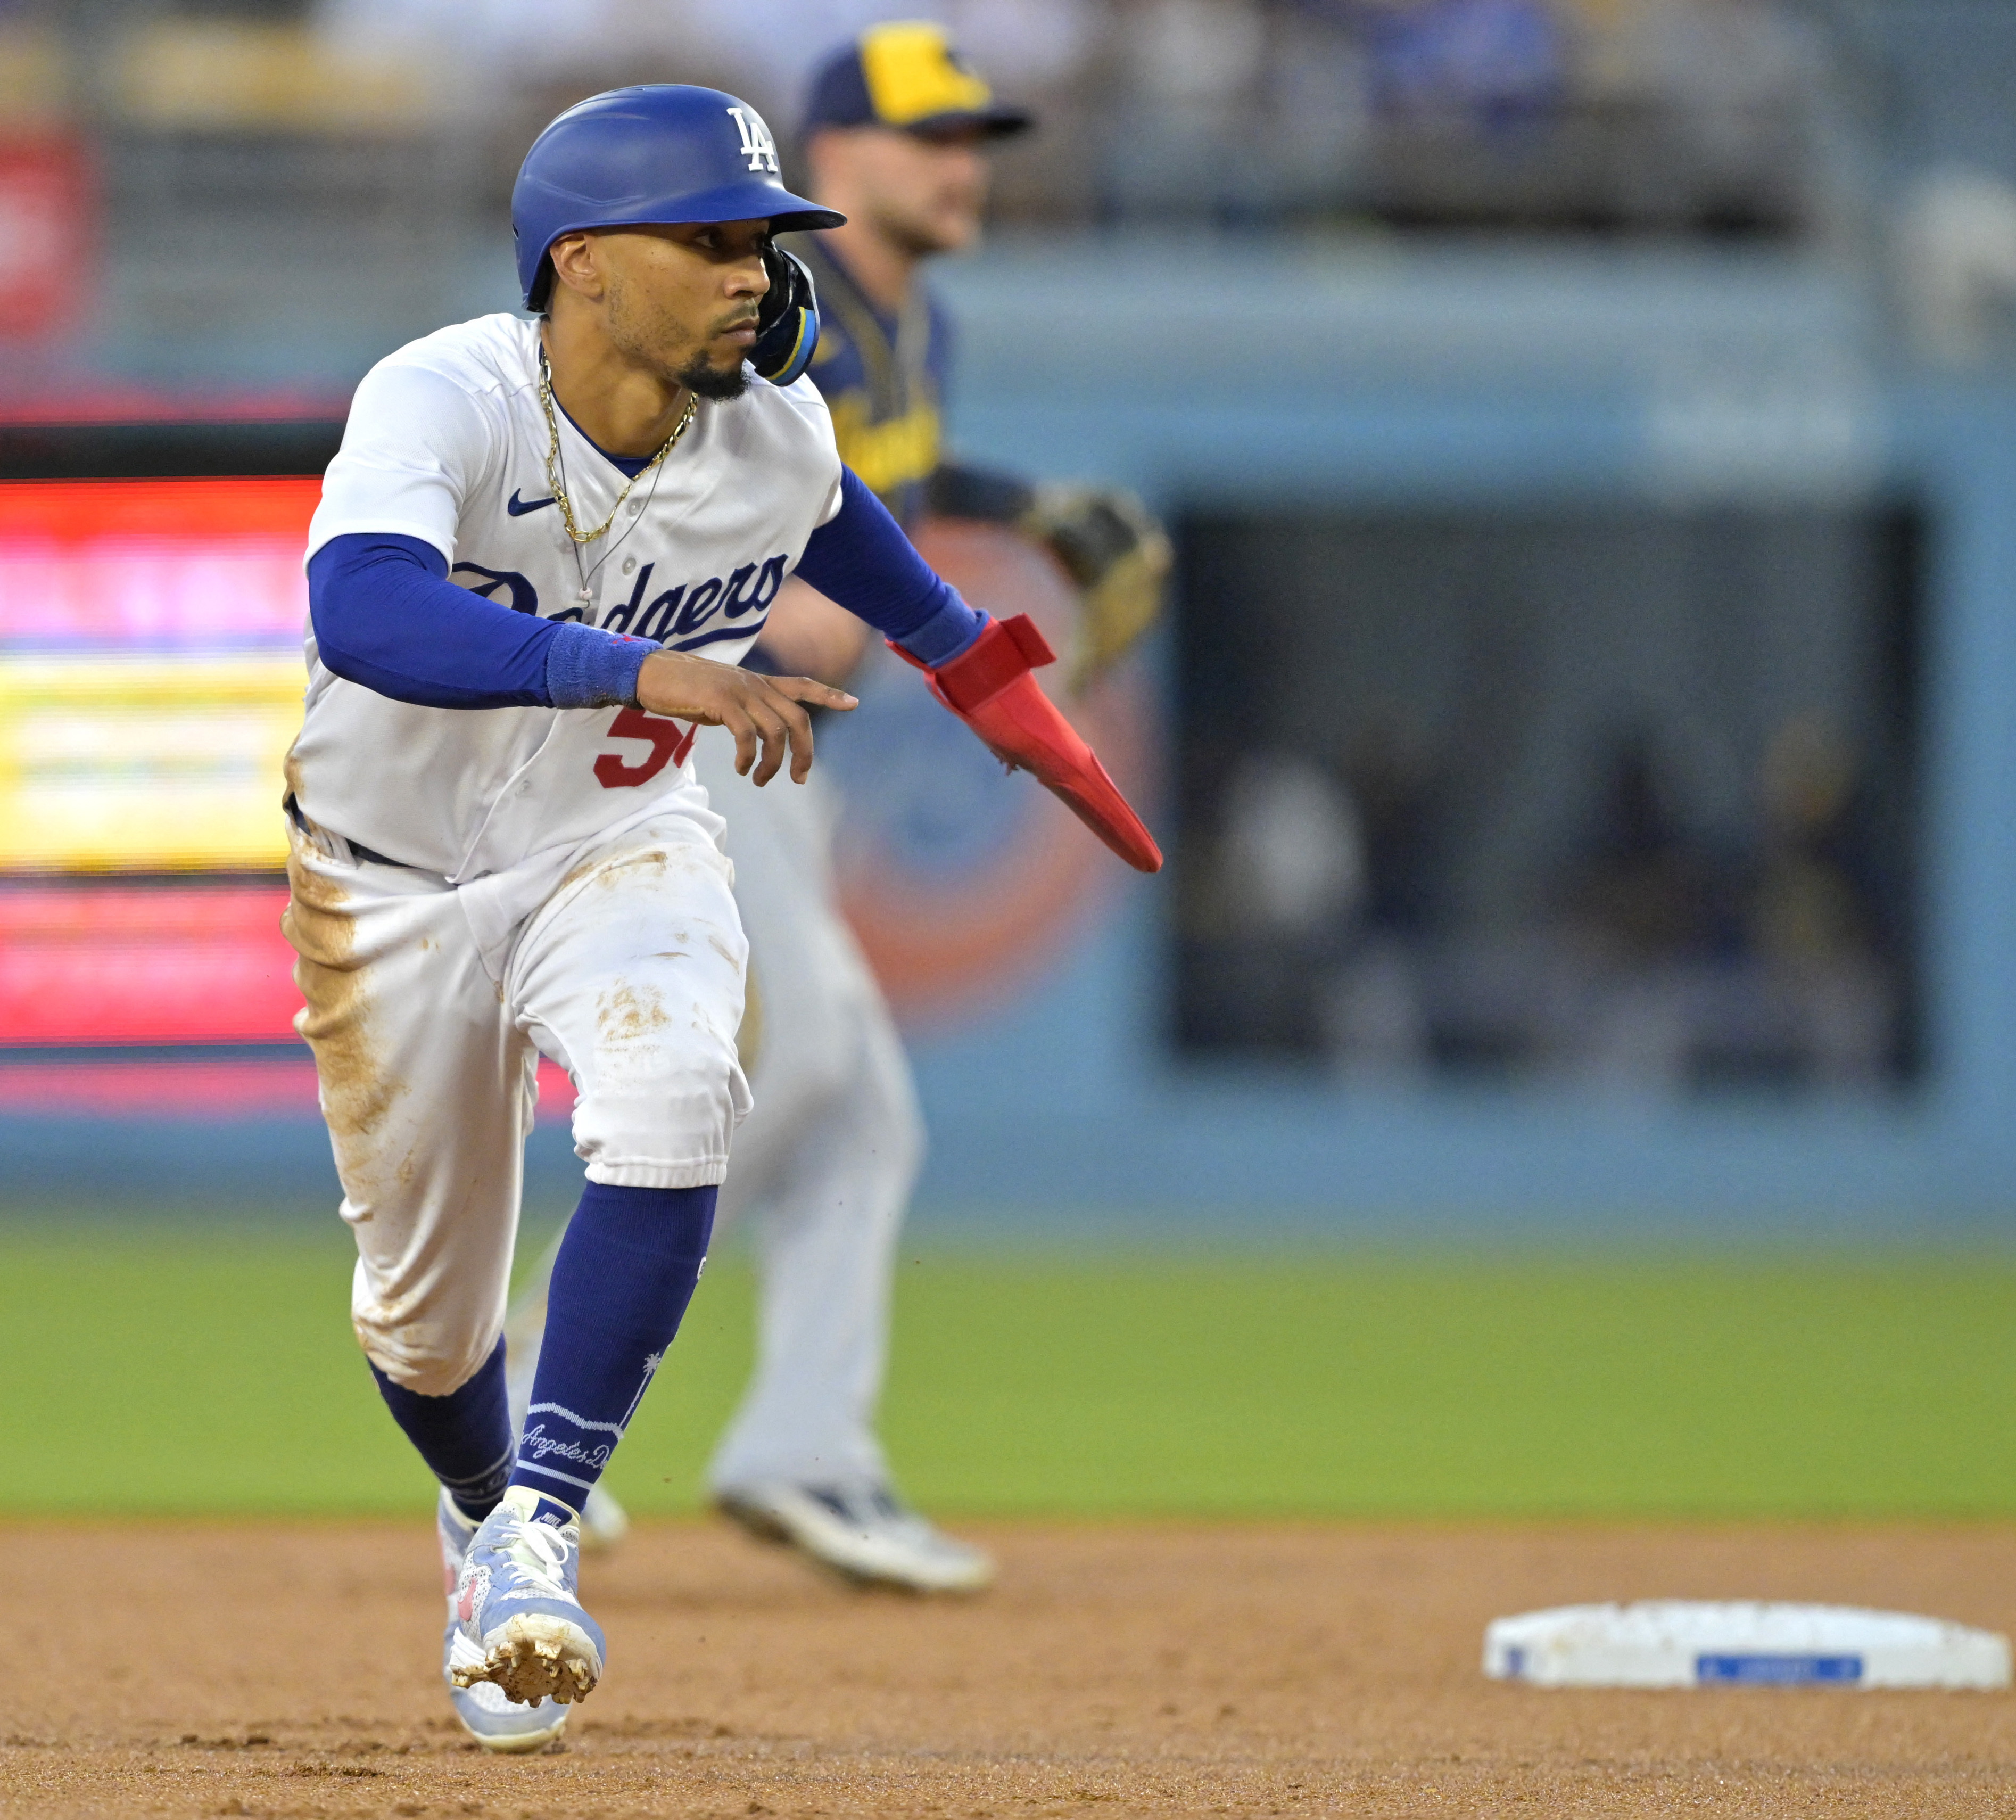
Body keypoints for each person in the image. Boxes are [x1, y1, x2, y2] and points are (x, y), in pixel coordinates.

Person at [285, 81, 1157, 1755]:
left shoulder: (776, 437)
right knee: (419, 1317)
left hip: (620, 837)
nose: (756, 271)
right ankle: (483, 1509)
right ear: (586, 262)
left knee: (686, 1090)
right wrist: (648, 667)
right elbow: (363, 608)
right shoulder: (447, 396)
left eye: (765, 237)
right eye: (712, 237)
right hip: (385, 879)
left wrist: (1043, 741)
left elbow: (936, 617)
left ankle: (544, 1519)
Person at [497, 21, 1171, 1595]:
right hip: (701, 740)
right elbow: (703, 485)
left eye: (976, 141)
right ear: (835, 161)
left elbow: (873, 493)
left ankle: (786, 1445)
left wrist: (1017, 510)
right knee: (801, 1079)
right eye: (932, 140)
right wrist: (763, 613)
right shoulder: (781, 325)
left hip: (764, 761)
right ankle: (531, 1410)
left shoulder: (904, 328)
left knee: (857, 1109)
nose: (963, 167)